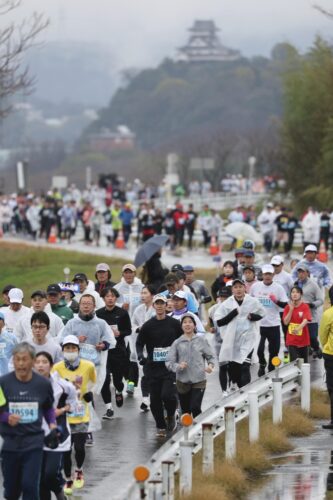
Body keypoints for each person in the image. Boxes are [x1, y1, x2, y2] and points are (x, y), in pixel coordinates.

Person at [0, 342, 57, 500]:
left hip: (33, 442)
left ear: (32, 361)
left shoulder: (43, 384)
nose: (21, 364)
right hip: (10, 442)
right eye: (17, 359)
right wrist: (6, 417)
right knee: (11, 491)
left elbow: (47, 408)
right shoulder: (3, 383)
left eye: (24, 359)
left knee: (30, 486)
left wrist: (52, 424)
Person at [53, 335, 97, 495]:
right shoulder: (56, 368)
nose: (70, 351)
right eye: (67, 348)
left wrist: (89, 393)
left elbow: (93, 381)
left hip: (81, 413)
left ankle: (78, 470)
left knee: (79, 447)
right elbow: (52, 386)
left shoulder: (88, 366)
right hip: (64, 414)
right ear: (63, 350)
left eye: (73, 348)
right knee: (65, 451)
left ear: (78, 350)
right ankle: (67, 478)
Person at [136, 294, 183, 438]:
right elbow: (139, 343)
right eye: (157, 303)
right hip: (153, 367)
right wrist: (140, 356)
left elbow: (182, 340)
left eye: (162, 303)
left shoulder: (174, 324)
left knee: (167, 395)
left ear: (166, 305)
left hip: (170, 367)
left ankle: (170, 414)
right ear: (154, 306)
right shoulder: (148, 325)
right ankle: (160, 426)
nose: (160, 306)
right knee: (155, 400)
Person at [35, 351, 77, 500]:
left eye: (44, 362)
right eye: (37, 362)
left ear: (51, 365)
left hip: (58, 435)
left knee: (50, 473)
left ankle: (59, 492)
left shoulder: (64, 386)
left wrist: (62, 410)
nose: (40, 365)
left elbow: (73, 403)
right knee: (40, 479)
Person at [214, 279, 265, 388]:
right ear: (232, 289)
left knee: (245, 366)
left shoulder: (252, 301)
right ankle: (240, 389)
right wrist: (232, 314)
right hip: (232, 341)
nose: (238, 289)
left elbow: (262, 313)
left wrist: (253, 317)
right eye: (235, 287)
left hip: (248, 339)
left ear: (244, 288)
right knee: (235, 370)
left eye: (240, 287)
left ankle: (246, 393)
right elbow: (219, 322)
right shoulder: (227, 303)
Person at [166, 314, 214, 417]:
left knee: (195, 407)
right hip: (182, 382)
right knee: (186, 411)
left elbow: (211, 356)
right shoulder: (177, 343)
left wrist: (210, 366)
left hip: (199, 380)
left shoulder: (201, 341)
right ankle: (188, 432)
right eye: (185, 322)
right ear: (181, 326)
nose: (187, 324)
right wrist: (178, 366)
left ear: (194, 325)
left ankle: (199, 431)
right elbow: (169, 362)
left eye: (190, 322)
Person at [96, 287, 132, 418]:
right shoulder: (98, 313)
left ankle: (118, 390)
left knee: (117, 379)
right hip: (104, 351)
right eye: (107, 296)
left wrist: (119, 333)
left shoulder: (122, 313)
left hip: (118, 350)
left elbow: (129, 330)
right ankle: (109, 408)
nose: (110, 298)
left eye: (112, 296)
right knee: (104, 379)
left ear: (116, 298)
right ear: (103, 298)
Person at [250, 264, 288, 375]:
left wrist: (276, 301)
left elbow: (285, 305)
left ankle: (271, 369)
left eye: (270, 274)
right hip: (259, 324)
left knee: (274, 351)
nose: (267, 276)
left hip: (274, 324)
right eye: (265, 274)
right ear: (262, 274)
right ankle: (262, 364)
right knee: (259, 350)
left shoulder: (278, 288)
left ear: (273, 275)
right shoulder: (255, 287)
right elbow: (249, 301)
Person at [130, 285, 156, 412]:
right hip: (141, 344)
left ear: (152, 295)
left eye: (145, 293)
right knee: (144, 372)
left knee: (153, 373)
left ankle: (155, 397)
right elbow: (133, 324)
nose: (142, 295)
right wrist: (138, 328)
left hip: (155, 345)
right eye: (141, 293)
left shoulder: (157, 308)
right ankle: (145, 399)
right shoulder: (138, 309)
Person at [293, 262, 323, 358]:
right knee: (300, 338)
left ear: (307, 273)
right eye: (299, 272)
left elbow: (321, 300)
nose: (300, 274)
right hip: (298, 317)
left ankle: (316, 348)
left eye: (303, 272)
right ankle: (305, 351)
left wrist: (312, 304)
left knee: (312, 337)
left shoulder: (313, 285)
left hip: (311, 317)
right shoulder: (295, 284)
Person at [208, 286, 232, 395]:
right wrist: (212, 328)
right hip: (219, 342)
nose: (223, 299)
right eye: (222, 297)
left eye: (226, 297)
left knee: (232, 366)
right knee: (222, 366)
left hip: (232, 342)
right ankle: (224, 390)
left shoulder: (234, 308)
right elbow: (211, 323)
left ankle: (232, 383)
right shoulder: (213, 309)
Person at [282, 286, 311, 363]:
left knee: (304, 363)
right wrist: (291, 309)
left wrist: (298, 328)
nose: (295, 294)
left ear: (301, 294)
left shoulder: (305, 306)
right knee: (293, 363)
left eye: (297, 292)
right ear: (290, 294)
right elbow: (285, 322)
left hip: (303, 339)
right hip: (291, 339)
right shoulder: (287, 307)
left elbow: (306, 320)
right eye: (293, 292)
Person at [319, 286, 333, 429]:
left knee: (332, 387)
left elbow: (323, 335)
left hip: (331, 355)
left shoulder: (328, 314)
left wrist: (326, 346)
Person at [0, 311, 18, 376]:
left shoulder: (11, 338)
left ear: (4, 324)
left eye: (0, 319)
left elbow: (18, 354)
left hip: (7, 375)